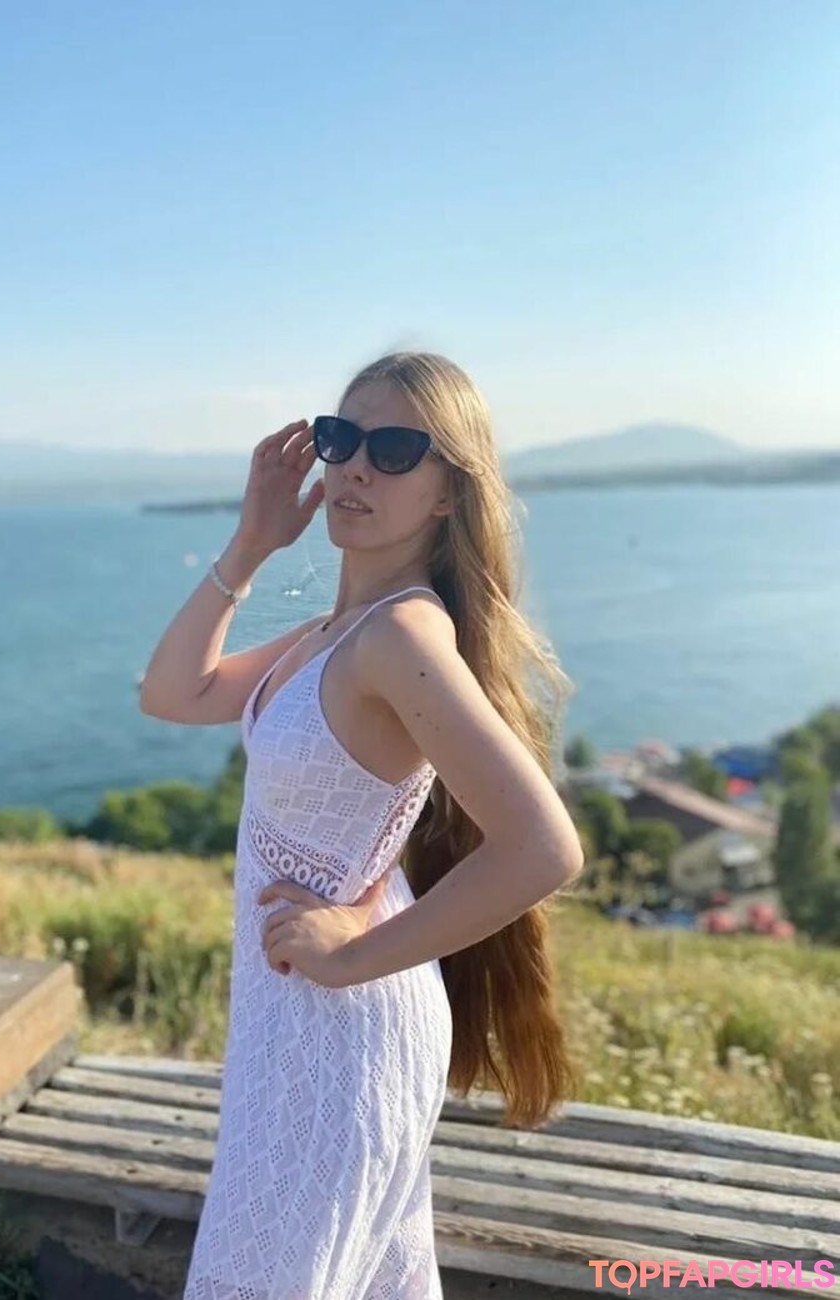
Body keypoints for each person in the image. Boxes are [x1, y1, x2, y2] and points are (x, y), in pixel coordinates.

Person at [139, 351, 584, 1299]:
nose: (355, 468)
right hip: (296, 1027)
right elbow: (172, 692)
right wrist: (251, 543)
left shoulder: (399, 636)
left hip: (342, 1036)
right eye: (342, 440)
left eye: (394, 450)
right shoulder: (336, 633)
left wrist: (350, 955)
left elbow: (543, 848)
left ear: (448, 492)